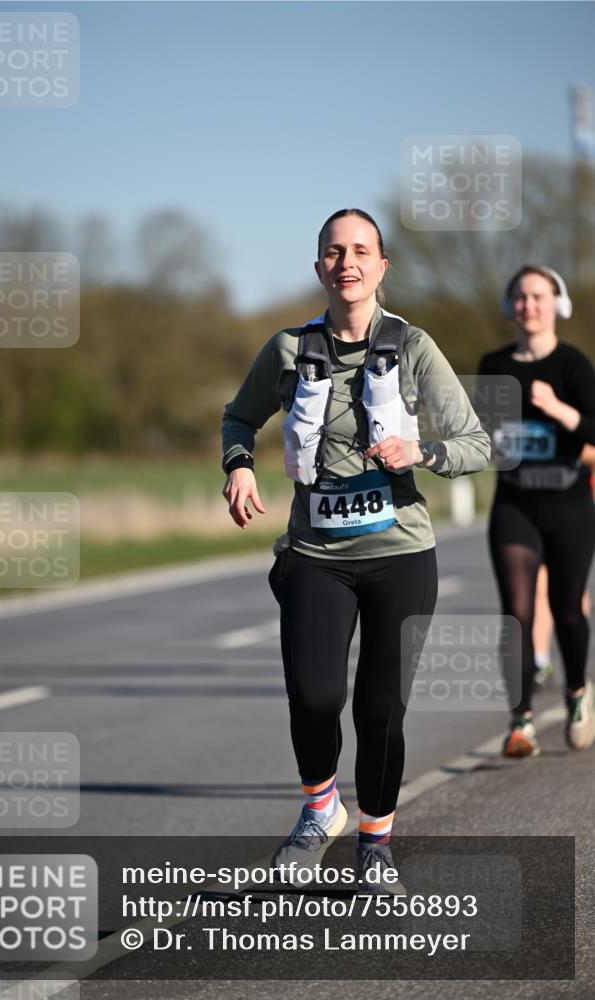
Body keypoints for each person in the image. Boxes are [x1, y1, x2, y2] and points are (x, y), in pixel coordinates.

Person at [221, 208, 490, 891]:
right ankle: (319, 812)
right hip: (314, 554)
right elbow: (238, 415)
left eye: (361, 250)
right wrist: (239, 463)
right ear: (319, 267)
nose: (347, 262)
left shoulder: (414, 346)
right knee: (312, 698)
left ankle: (375, 843)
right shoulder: (286, 349)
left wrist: (420, 449)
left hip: (400, 554)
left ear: (380, 266)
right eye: (334, 252)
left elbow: (475, 445)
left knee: (379, 709)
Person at [478, 265, 595, 758]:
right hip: (515, 502)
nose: (529, 305)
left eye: (539, 296)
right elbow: (485, 435)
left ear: (556, 303)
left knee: (568, 610)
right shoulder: (494, 363)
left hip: (568, 503)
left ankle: (576, 694)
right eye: (521, 297)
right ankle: (521, 720)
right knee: (517, 614)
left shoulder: (573, 364)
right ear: (511, 307)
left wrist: (558, 410)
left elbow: (592, 427)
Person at [532, 445, 595, 688]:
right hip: (537, 506)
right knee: (540, 584)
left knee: (572, 592)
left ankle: (576, 661)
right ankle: (540, 659)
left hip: (576, 507)